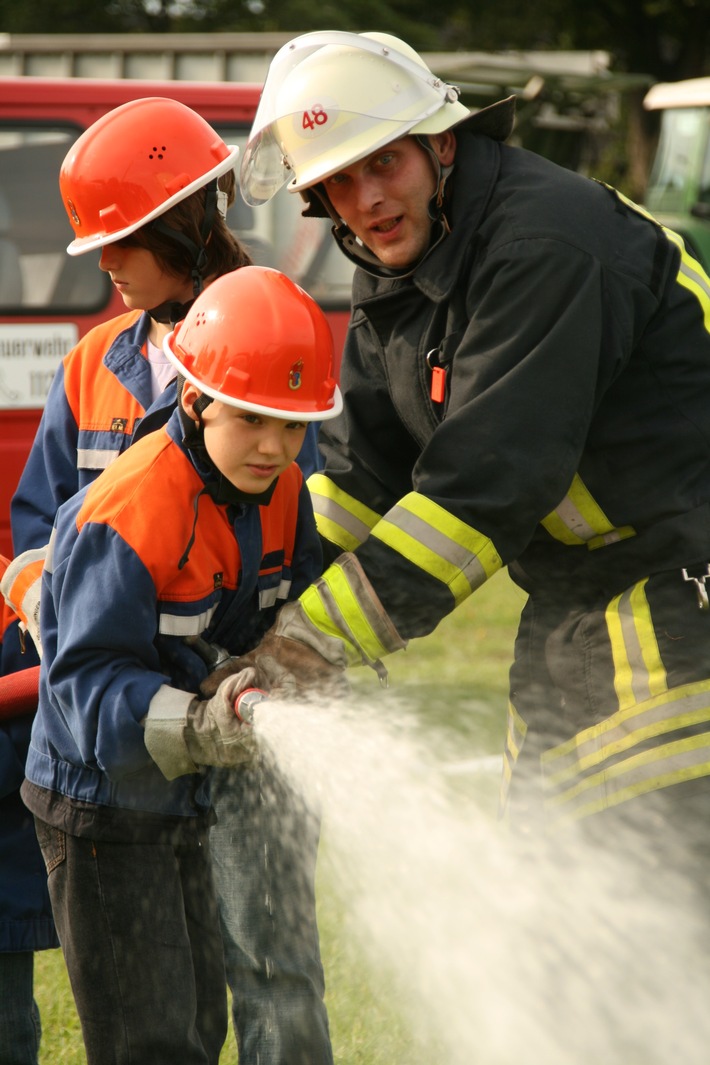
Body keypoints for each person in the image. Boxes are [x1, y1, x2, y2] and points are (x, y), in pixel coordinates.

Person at [204, 30, 710, 865]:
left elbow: (486, 484)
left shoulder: (545, 243)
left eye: (381, 164)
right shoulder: (398, 268)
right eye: (334, 181)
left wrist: (312, 641)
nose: (363, 200)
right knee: (553, 884)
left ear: (441, 143)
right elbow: (357, 475)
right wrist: (249, 608)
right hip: (575, 605)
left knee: (651, 884)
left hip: (680, 595)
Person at [1, 98, 332, 1065]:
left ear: (185, 220)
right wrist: (46, 606)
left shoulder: (277, 339)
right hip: (130, 741)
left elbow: (298, 535)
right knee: (166, 1013)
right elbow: (35, 535)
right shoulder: (91, 366)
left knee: (269, 964)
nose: (103, 263)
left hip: (251, 727)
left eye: (121, 239)